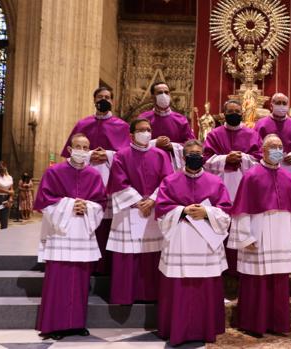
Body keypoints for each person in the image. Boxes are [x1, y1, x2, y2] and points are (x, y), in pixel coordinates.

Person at [155, 139, 232, 346]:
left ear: (204, 156)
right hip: (181, 242)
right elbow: (161, 212)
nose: (194, 156)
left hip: (206, 244)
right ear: (183, 156)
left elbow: (226, 212)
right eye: (190, 153)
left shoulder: (216, 182)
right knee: (180, 287)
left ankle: (205, 330)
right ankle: (178, 330)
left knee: (205, 287)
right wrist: (183, 210)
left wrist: (207, 211)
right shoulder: (170, 181)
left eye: (198, 153)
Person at [229, 134, 291, 336]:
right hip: (258, 235)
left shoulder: (288, 176)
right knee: (257, 281)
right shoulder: (251, 176)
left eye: (280, 146)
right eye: (273, 147)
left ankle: (277, 323)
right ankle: (254, 323)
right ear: (263, 150)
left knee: (279, 282)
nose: (277, 150)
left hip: (281, 237)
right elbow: (242, 210)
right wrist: (246, 237)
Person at [34, 133, 107, 340]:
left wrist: (88, 206)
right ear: (69, 149)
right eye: (78, 146)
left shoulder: (94, 175)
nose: (82, 151)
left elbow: (101, 203)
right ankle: (54, 325)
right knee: (59, 279)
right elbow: (44, 201)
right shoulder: (54, 172)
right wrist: (68, 205)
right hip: (61, 233)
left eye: (86, 147)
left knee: (80, 281)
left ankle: (76, 324)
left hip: (83, 232)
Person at [60, 86, 129, 274]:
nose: (104, 100)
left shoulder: (122, 126)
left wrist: (107, 155)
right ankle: (85, 263)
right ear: (94, 100)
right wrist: (90, 155)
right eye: (100, 97)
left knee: (107, 222)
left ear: (112, 101)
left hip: (111, 179)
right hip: (84, 179)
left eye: (107, 97)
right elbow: (69, 153)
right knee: (85, 218)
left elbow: (128, 156)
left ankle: (106, 265)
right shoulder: (82, 124)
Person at [106, 118, 173, 305]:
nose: (146, 133)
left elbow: (168, 182)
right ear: (131, 135)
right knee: (128, 255)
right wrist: (138, 201)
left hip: (153, 209)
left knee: (152, 253)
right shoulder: (122, 155)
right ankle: (125, 296)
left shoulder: (161, 155)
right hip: (129, 210)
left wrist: (152, 199)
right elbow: (118, 182)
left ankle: (151, 294)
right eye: (141, 130)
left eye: (148, 129)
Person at [203, 100, 263, 274]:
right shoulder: (214, 134)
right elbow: (205, 160)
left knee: (243, 223)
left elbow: (259, 161)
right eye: (230, 111)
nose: (234, 114)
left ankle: (242, 268)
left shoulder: (252, 134)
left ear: (242, 113)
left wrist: (242, 158)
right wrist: (225, 159)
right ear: (223, 113)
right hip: (219, 187)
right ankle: (221, 267)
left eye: (237, 111)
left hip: (245, 186)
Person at [137, 81, 196, 170]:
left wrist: (172, 146)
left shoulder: (181, 120)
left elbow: (191, 145)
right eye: (160, 93)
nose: (164, 95)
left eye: (166, 92)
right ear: (152, 97)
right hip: (148, 164)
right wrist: (155, 143)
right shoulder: (143, 119)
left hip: (173, 166)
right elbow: (134, 143)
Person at [253, 93, 291, 171]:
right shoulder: (261, 124)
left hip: (289, 167)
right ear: (272, 106)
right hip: (266, 166)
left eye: (284, 103)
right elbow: (254, 146)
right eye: (278, 103)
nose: (281, 105)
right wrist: (266, 156)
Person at [0, 161, 13, 230]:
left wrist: (10, 198)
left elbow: (12, 190)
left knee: (4, 220)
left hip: (6, 199)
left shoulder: (9, 177)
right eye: (0, 166)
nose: (2, 168)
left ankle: (4, 237)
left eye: (3, 166)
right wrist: (8, 192)